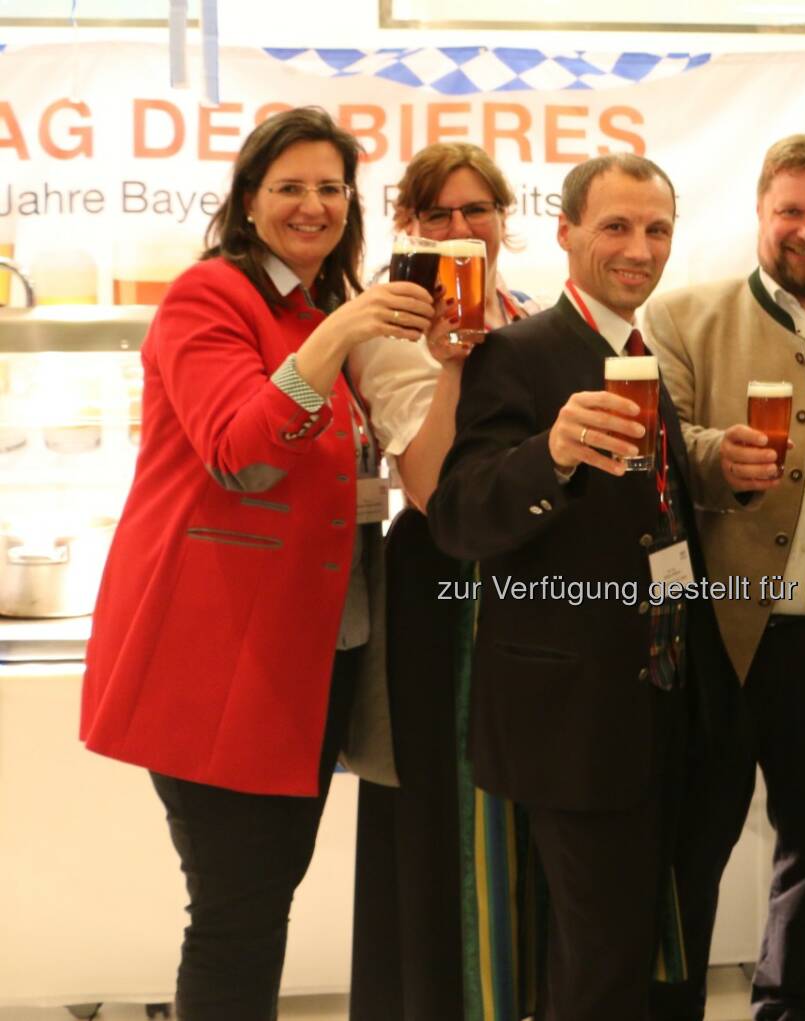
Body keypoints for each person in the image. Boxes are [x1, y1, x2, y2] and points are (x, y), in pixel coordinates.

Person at [80, 107, 439, 1019]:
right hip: (219, 659)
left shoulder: (319, 307)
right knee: (236, 916)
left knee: (261, 900)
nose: (312, 206)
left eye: (329, 188)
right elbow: (244, 454)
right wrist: (339, 334)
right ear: (247, 201)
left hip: (311, 659)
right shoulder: (212, 297)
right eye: (289, 187)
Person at [427, 153, 736, 1021]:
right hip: (577, 718)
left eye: (658, 229)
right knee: (599, 964)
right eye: (617, 226)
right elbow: (457, 517)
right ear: (565, 233)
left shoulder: (642, 348)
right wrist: (550, 455)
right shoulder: (520, 355)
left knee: (646, 949)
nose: (640, 248)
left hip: (667, 699)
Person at [645, 133, 805, 1021]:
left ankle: (796, 1009)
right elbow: (656, 445)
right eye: (790, 209)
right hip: (717, 632)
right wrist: (717, 456)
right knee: (688, 846)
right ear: (759, 214)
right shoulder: (680, 317)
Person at [345, 142, 539, 1021]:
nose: (461, 229)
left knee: (524, 804)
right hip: (443, 581)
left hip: (526, 575)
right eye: (438, 215)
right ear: (409, 229)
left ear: (504, 219)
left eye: (477, 211)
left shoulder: (529, 313)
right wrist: (456, 359)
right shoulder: (384, 334)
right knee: (444, 817)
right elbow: (428, 488)